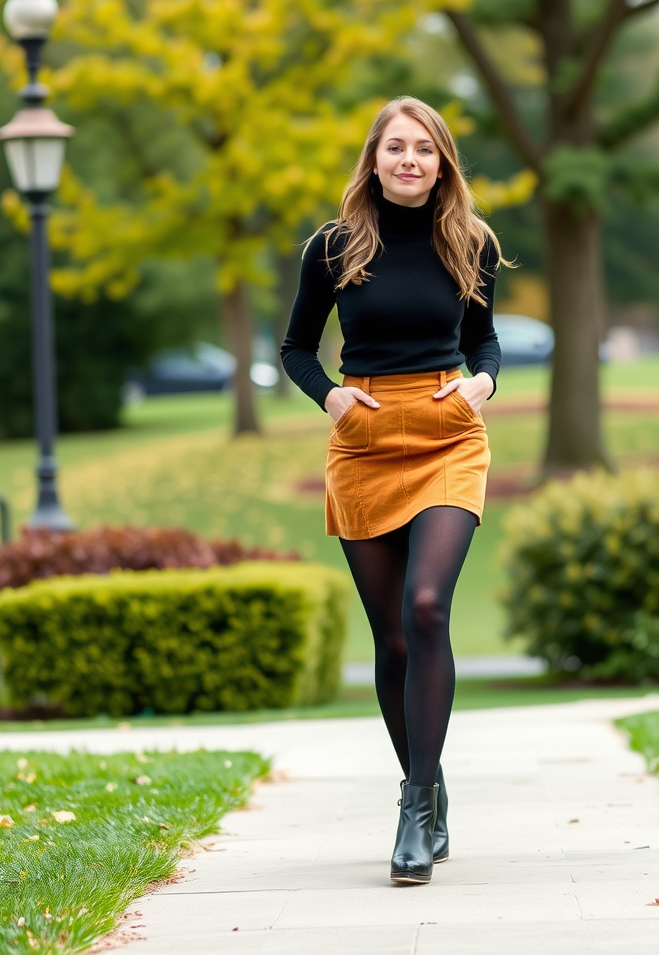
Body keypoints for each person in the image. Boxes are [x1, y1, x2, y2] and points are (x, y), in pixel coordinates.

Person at [281, 96, 505, 885]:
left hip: (447, 431)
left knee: (426, 607)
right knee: (394, 640)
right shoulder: (334, 246)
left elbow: (484, 338)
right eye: (395, 148)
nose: (409, 160)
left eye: (424, 149)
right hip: (366, 441)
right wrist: (332, 398)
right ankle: (431, 782)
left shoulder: (469, 242)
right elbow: (297, 348)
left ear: (443, 163)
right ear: (373, 159)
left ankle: (414, 806)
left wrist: (481, 383)